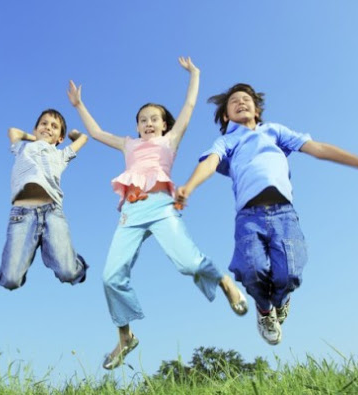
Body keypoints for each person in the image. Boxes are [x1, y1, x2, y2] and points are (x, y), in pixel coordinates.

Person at [176, 83, 358, 345]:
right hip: (249, 217)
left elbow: (319, 149)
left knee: (289, 273)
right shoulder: (227, 141)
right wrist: (189, 187)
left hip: (283, 214)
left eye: (246, 99)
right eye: (234, 101)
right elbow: (210, 163)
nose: (241, 102)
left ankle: (280, 302)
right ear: (226, 116)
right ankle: (264, 311)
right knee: (252, 270)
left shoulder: (274, 132)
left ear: (257, 109)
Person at [68, 56, 247, 370]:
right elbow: (96, 132)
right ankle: (125, 337)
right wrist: (79, 105)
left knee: (188, 263)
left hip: (162, 207)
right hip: (131, 213)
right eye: (142, 119)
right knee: (110, 276)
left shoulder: (170, 140)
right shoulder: (128, 145)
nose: (148, 123)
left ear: (165, 124)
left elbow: (189, 107)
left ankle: (225, 282)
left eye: (154, 118)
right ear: (136, 126)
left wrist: (195, 74)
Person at [0, 109, 89, 290]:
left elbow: (83, 138)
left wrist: (73, 135)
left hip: (52, 212)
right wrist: (36, 138)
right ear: (35, 128)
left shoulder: (60, 155)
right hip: (21, 215)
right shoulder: (22, 148)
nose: (48, 127)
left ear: (60, 138)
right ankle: (27, 259)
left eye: (54, 127)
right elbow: (13, 132)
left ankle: (76, 263)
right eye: (44, 124)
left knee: (69, 273)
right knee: (10, 280)